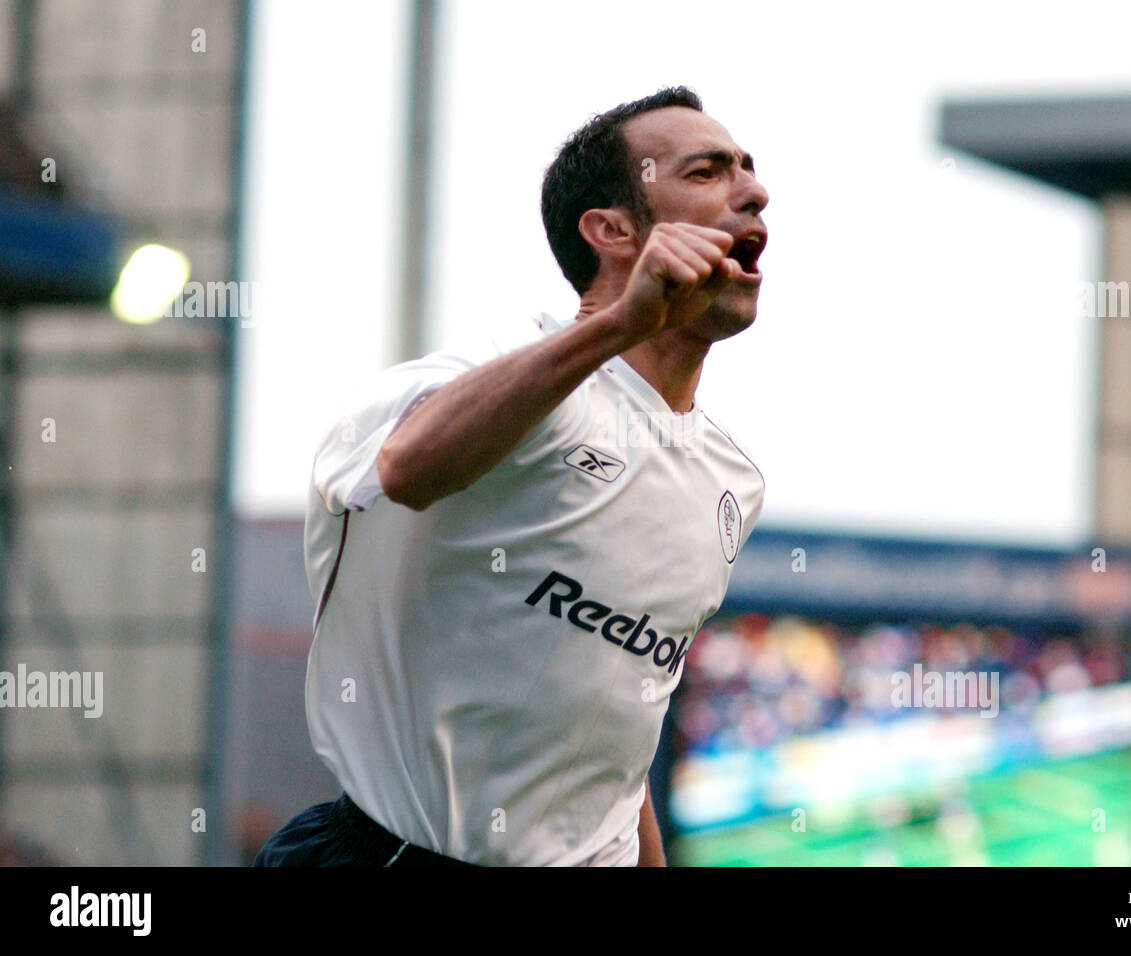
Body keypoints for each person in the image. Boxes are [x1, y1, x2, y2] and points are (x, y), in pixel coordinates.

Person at [254, 86, 769, 866]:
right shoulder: (497, 380)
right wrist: (622, 325)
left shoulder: (730, 479)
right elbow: (410, 465)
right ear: (612, 231)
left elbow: (619, 740)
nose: (754, 190)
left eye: (749, 171)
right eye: (707, 172)